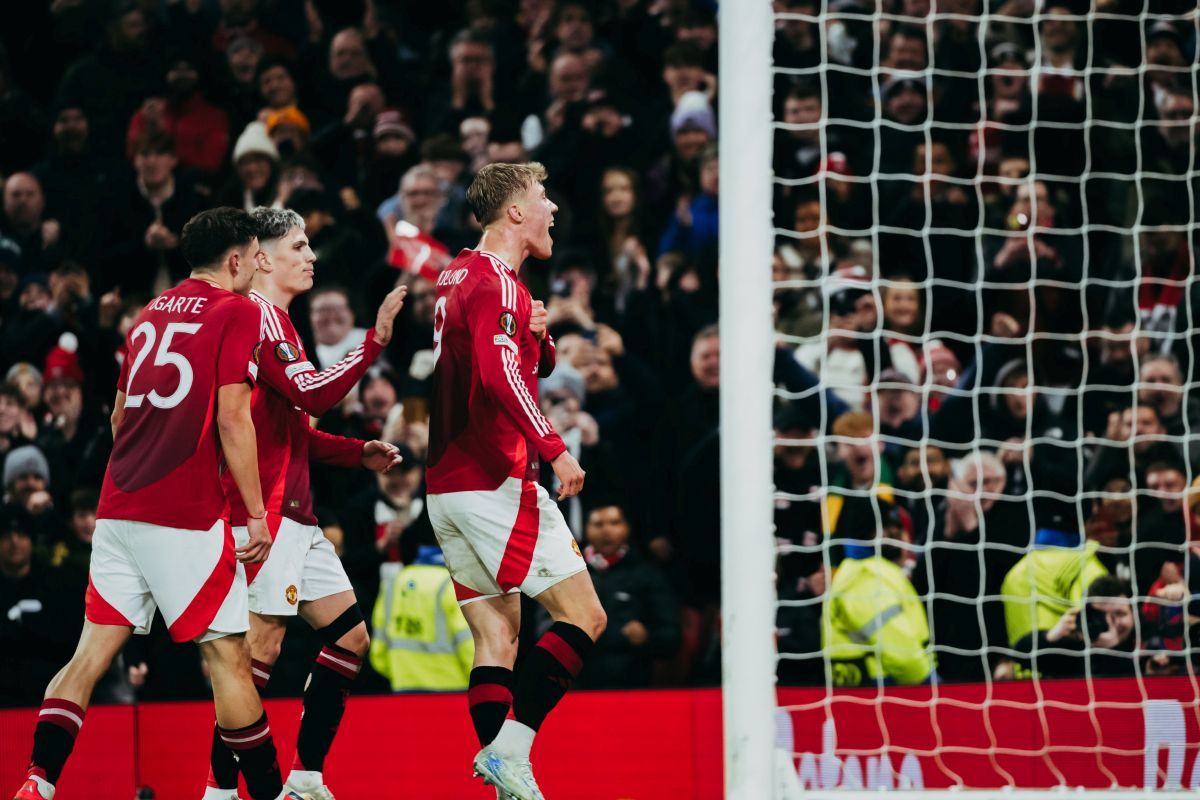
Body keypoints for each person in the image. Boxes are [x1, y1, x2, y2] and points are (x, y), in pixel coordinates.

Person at [12, 207, 302, 800]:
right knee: (229, 660)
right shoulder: (238, 311)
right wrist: (252, 514)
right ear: (236, 260)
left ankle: (37, 782)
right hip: (185, 513)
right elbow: (231, 419)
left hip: (118, 506)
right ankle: (271, 794)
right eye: (255, 254)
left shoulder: (150, 312)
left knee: (88, 655)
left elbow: (120, 416)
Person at [203, 207, 408, 800]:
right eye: (299, 245)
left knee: (349, 640)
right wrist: (374, 341)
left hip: (297, 515)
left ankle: (306, 777)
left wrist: (353, 452)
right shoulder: (259, 320)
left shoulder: (282, 326)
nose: (311, 256)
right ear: (262, 258)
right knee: (253, 659)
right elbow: (313, 392)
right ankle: (218, 792)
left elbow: (290, 428)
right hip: (264, 516)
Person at [426, 162, 605, 800]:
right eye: (542, 197)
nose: (553, 208)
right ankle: (511, 751)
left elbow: (509, 359)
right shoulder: (499, 285)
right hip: (494, 477)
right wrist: (554, 449)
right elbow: (502, 378)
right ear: (515, 214)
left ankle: (502, 777)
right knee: (584, 616)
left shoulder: (455, 276)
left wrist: (540, 336)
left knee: (497, 634)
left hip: (446, 487)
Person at [369, 543, 474, 692]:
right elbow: (467, 643)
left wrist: (399, 674)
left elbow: (378, 648)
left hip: (403, 686)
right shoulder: (453, 585)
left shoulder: (393, 583)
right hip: (452, 689)